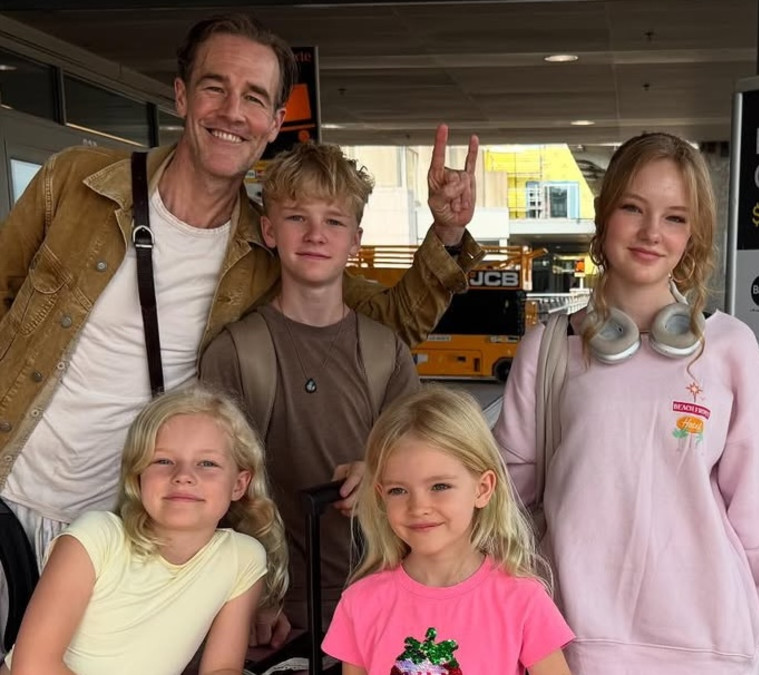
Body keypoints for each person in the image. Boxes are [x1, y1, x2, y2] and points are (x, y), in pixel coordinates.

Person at [0, 13, 479, 646]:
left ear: (275, 121)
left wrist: (446, 234)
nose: (233, 110)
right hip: (9, 485)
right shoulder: (77, 184)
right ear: (181, 95)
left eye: (255, 96)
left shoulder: (261, 249)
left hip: (135, 527)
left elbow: (384, 318)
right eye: (214, 87)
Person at [491, 132, 759, 674]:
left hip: (707, 646)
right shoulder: (549, 349)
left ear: (693, 234)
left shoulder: (727, 348)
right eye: (633, 208)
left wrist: (754, 614)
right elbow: (505, 498)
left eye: (676, 218)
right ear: (605, 213)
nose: (652, 233)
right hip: (573, 641)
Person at [200, 141, 420, 636]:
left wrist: (382, 474)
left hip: (380, 596)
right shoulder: (235, 352)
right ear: (268, 230)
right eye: (298, 217)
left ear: (356, 240)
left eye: (335, 222)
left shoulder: (387, 355)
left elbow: (427, 476)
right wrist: (250, 597)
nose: (317, 235)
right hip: (269, 607)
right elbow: (210, 494)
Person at [1, 384, 286, 675]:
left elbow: (222, 668)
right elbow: (33, 667)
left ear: (239, 484)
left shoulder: (243, 559)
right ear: (138, 476)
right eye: (163, 461)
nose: (184, 476)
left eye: (207, 463)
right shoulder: (94, 538)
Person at [321, 386, 573, 675]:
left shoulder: (522, 600)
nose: (419, 506)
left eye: (440, 486)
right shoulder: (360, 603)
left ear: (483, 488)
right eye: (398, 490)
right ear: (381, 495)